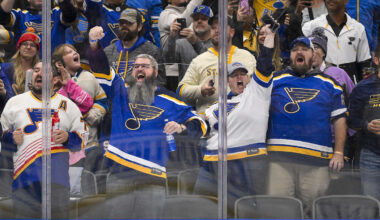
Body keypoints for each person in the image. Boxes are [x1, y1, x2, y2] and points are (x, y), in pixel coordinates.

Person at [87, 26, 207, 218]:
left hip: (153, 178)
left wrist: (182, 126)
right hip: (119, 176)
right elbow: (101, 67)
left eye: (145, 66)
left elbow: (201, 123)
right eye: (135, 66)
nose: (139, 69)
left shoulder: (171, 99)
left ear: (156, 71)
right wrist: (94, 45)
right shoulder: (120, 91)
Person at [194, 23, 275, 215]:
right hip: (213, 162)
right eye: (234, 75)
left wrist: (269, 35)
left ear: (247, 78)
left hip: (247, 159)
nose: (239, 78)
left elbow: (264, 62)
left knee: (246, 211)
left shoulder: (258, 93)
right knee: (200, 207)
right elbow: (200, 125)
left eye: (242, 74)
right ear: (228, 81)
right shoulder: (215, 107)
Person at [266, 36, 346, 217]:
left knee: (315, 211)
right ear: (290, 55)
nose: (299, 52)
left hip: (316, 161)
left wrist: (339, 152)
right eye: (295, 50)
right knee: (278, 211)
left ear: (313, 55)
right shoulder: (276, 79)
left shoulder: (331, 84)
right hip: (280, 158)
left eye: (304, 49)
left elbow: (340, 119)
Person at [1, 61, 85, 219]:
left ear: (55, 80)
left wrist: (68, 138)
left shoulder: (68, 105)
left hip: (57, 182)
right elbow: (2, 142)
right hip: (24, 182)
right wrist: (10, 139)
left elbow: (82, 140)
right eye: (36, 70)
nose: (39, 74)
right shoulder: (14, 103)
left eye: (45, 71)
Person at [177, 16, 256, 114]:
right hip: (208, 119)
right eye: (213, 28)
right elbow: (181, 89)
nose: (217, 30)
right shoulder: (199, 60)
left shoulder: (247, 57)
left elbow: (259, 87)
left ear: (232, 32)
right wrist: (200, 90)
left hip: (242, 117)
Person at [52, 44, 108, 173]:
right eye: (69, 52)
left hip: (89, 142)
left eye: (75, 51)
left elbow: (103, 100)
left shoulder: (89, 77)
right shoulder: (53, 81)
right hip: (61, 146)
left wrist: (93, 115)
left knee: (85, 182)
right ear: (59, 63)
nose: (75, 53)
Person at [92, 8, 166, 87]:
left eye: (129, 23)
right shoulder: (107, 52)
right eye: (121, 23)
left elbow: (160, 83)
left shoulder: (152, 51)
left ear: (139, 26)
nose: (124, 25)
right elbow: (101, 82)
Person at [302, 0, 372, 83]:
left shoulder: (358, 29)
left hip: (350, 83)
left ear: (346, 1)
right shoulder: (312, 26)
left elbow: (364, 63)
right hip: (322, 82)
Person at [348, 44, 380, 201]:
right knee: (372, 204)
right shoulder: (361, 88)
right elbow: (352, 120)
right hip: (371, 155)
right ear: (376, 59)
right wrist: (367, 125)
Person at [0, 0, 77, 57]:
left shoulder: (56, 13)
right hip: (26, 66)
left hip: (54, 68)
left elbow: (70, 16)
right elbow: (2, 17)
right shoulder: (20, 15)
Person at [163, 5, 213, 82]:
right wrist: (172, 38)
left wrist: (196, 42)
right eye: (196, 19)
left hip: (209, 88)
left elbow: (209, 63)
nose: (199, 21)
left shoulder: (217, 43)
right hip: (186, 90)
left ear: (211, 22)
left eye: (204, 18)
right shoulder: (181, 43)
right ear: (192, 22)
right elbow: (169, 61)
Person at [85, 0, 162, 48]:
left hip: (132, 62)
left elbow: (147, 39)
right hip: (105, 62)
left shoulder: (135, 12)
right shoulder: (97, 10)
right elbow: (92, 4)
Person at [1, 28, 40, 97]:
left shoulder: (40, 71)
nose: (28, 47)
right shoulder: (6, 68)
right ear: (19, 48)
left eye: (32, 45)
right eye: (25, 44)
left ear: (37, 51)